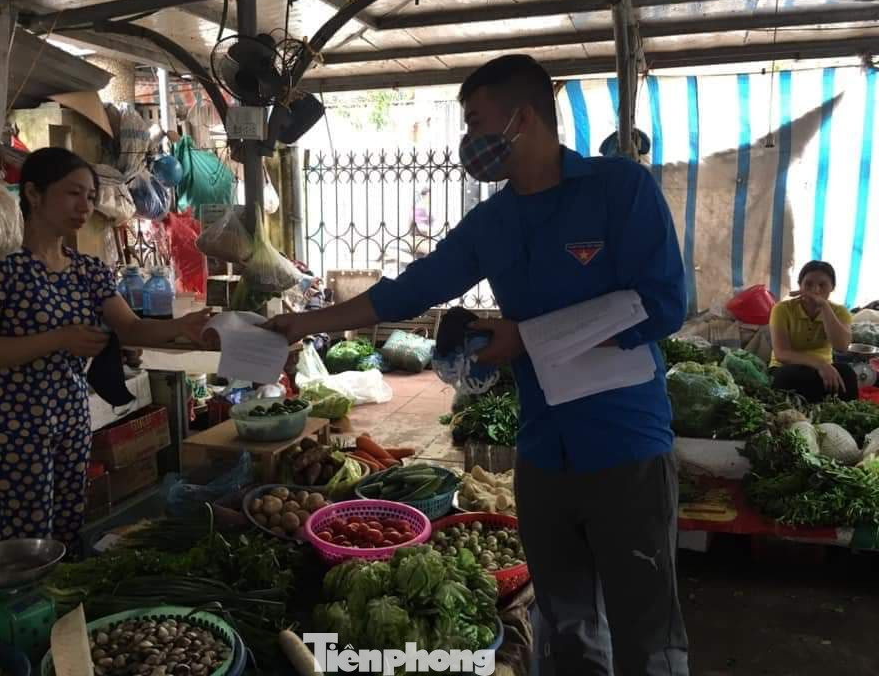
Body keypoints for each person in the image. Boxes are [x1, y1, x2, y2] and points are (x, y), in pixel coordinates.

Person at [265, 55, 689, 675]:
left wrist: (530, 338)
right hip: (543, 452)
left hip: (626, 446)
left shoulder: (619, 188)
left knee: (646, 631)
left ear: (524, 116)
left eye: (476, 119)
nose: (468, 139)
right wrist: (301, 323)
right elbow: (407, 291)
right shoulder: (494, 221)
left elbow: (661, 305)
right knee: (565, 626)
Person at [0, 147, 211, 550]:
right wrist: (59, 340)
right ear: (34, 194)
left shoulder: (87, 269)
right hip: (10, 424)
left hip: (70, 416)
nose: (85, 206)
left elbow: (130, 327)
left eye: (91, 197)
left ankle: (63, 604)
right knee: (25, 539)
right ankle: (25, 607)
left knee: (69, 525)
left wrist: (184, 328)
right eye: (74, 193)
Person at [769, 260, 857, 403]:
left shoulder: (839, 312)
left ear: (832, 287)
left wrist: (824, 306)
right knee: (787, 377)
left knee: (847, 374)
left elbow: (841, 346)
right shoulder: (782, 309)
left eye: (823, 285)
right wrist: (819, 364)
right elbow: (781, 353)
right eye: (808, 284)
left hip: (825, 369)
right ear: (800, 285)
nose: (815, 290)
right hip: (787, 367)